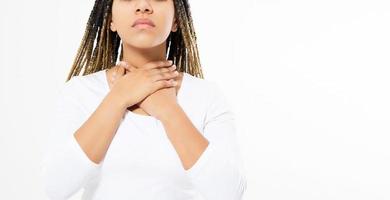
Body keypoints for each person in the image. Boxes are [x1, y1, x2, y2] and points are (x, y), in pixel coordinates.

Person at [41, 0, 247, 199]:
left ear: (177, 19)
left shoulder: (207, 97)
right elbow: (56, 187)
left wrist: (169, 111)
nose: (143, 6)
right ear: (110, 18)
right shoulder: (80, 92)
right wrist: (118, 97)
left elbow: (229, 192)